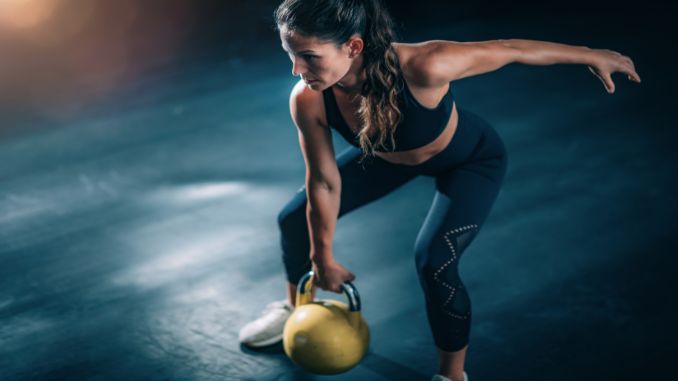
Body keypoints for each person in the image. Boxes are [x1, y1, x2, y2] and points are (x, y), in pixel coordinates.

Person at [238, 1, 641, 380]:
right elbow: (324, 182)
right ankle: (296, 308)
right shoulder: (308, 100)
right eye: (291, 54)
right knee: (293, 219)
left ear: (353, 46)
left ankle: (451, 374)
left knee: (435, 262)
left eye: (308, 56)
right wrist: (321, 259)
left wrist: (591, 54)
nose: (296, 69)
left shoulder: (425, 65)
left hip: (468, 159)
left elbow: (512, 49)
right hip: (384, 158)